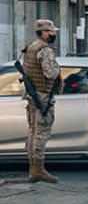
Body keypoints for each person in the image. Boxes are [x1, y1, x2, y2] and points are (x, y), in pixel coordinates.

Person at [21, 19, 62, 183]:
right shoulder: (45, 51)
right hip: (43, 96)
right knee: (41, 132)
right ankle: (38, 169)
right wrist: (58, 67)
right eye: (51, 32)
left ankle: (33, 167)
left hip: (32, 95)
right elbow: (50, 73)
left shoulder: (30, 48)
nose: (54, 34)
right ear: (44, 32)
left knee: (32, 131)